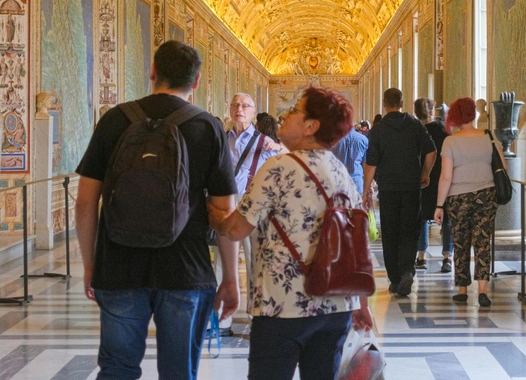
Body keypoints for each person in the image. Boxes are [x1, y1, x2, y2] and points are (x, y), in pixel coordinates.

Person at [74, 41, 239, 380]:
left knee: (117, 369)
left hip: (118, 266)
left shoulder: (114, 120)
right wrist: (231, 280)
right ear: (196, 83)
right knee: (179, 373)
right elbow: (223, 212)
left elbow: (85, 201)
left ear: (152, 72)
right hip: (186, 269)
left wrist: (91, 264)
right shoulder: (208, 127)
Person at [208, 87, 373, 380]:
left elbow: (236, 229)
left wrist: (214, 213)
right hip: (337, 307)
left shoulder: (278, 167)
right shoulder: (342, 173)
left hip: (282, 307)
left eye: (295, 110)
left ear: (311, 126)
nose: (285, 114)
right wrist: (362, 304)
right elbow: (357, 245)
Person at [362, 88, 434, 297]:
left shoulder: (378, 130)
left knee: (391, 232)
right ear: (402, 103)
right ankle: (407, 271)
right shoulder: (415, 125)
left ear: (384, 104)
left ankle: (395, 278)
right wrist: (425, 173)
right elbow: (431, 151)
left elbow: (371, 164)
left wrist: (367, 190)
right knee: (409, 231)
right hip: (412, 187)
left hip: (388, 188)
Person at [219, 93, 280, 331]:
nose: (239, 109)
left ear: (254, 112)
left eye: (245, 106)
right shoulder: (222, 138)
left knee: (256, 258)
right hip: (226, 201)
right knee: (225, 262)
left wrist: (278, 146)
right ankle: (223, 315)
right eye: (235, 105)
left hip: (253, 201)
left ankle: (256, 312)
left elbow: (286, 160)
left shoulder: (263, 141)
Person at [434, 97, 501, 307]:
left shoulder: (451, 142)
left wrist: (439, 205)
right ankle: (482, 290)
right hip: (486, 195)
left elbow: (445, 177)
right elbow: (503, 167)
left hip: (458, 197)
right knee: (482, 242)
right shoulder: (489, 137)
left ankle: (462, 289)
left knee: (461, 241)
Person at [414, 98, 453, 273]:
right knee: (446, 218)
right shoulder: (444, 130)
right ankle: (447, 257)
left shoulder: (415, 130)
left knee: (421, 216)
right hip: (442, 177)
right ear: (432, 111)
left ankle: (421, 256)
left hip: (422, 177)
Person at [330, 115, 368, 194]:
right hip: (356, 182)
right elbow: (365, 165)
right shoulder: (363, 139)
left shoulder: (333, 140)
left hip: (337, 182)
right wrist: (368, 186)